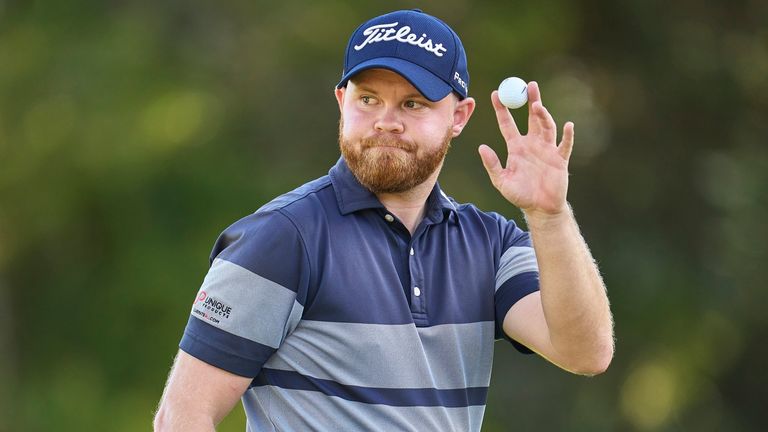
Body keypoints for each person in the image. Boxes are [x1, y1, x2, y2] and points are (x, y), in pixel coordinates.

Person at [153, 8, 614, 432]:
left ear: (459, 116)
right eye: (368, 99)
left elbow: (585, 352)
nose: (385, 121)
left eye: (413, 104)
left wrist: (549, 217)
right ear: (341, 101)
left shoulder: (490, 244)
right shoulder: (283, 238)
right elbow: (182, 416)